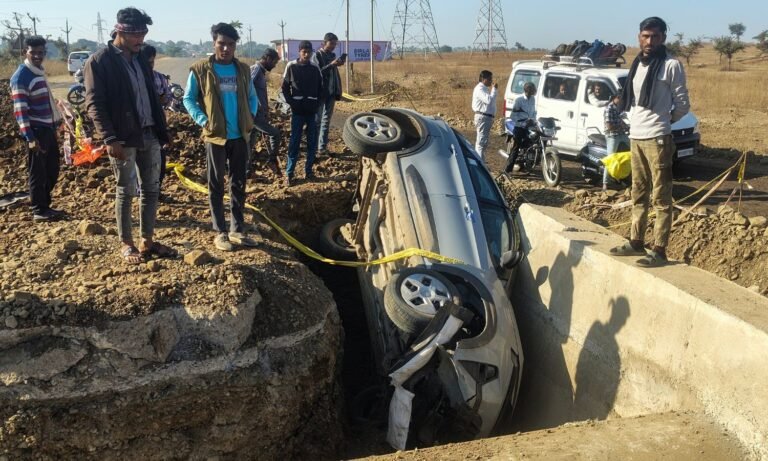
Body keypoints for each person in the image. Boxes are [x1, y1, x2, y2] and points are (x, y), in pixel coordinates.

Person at [84, 7, 175, 265]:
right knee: (126, 190)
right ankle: (126, 243)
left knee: (151, 188)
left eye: (143, 33)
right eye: (136, 34)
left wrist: (162, 130)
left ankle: (147, 239)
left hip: (149, 134)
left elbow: (152, 99)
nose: (141, 39)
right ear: (120, 31)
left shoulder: (140, 58)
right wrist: (109, 138)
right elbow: (94, 104)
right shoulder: (100, 61)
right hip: (123, 137)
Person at [609, 16, 690, 267]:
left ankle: (659, 249)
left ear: (663, 37)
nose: (650, 41)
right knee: (638, 193)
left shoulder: (671, 65)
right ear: (638, 37)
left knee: (661, 197)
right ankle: (636, 241)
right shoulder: (638, 64)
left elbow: (683, 105)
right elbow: (631, 100)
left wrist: (662, 122)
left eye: (655, 36)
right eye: (645, 36)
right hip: (636, 136)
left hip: (657, 138)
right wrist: (636, 122)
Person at [183, 22, 260, 252]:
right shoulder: (200, 69)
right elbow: (188, 98)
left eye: (230, 44)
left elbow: (252, 97)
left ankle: (237, 229)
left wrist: (250, 118)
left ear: (236, 45)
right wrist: (203, 120)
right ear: (214, 43)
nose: (225, 48)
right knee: (216, 184)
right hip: (216, 136)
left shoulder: (243, 70)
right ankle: (220, 232)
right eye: (221, 44)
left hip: (239, 137)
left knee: (238, 183)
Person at [10, 35, 64, 222]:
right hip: (36, 132)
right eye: (34, 52)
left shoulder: (39, 72)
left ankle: (45, 204)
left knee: (52, 168)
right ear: (26, 52)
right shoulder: (21, 76)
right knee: (38, 172)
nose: (38, 56)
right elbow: (20, 112)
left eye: (41, 52)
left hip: (48, 129)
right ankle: (39, 209)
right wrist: (30, 137)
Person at [281, 40, 323, 187]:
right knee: (294, 143)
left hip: (311, 112)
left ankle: (309, 171)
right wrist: (292, 103)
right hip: (297, 112)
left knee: (312, 142)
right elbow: (285, 88)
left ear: (311, 52)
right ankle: (289, 174)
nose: (306, 54)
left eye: (308, 51)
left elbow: (320, 89)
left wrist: (316, 105)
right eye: (303, 51)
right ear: (299, 52)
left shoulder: (315, 68)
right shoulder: (291, 66)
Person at [142, 44, 172, 197]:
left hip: (157, 126)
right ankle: (143, 192)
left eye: (152, 62)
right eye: (146, 62)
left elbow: (167, 99)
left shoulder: (159, 78)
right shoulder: (132, 79)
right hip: (138, 129)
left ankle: (155, 191)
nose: (149, 65)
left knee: (159, 161)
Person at [249, 48, 282, 177]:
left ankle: (246, 169)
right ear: (268, 58)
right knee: (275, 134)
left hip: (259, 114)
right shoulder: (256, 70)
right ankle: (271, 160)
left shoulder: (261, 72)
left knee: (250, 142)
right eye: (274, 62)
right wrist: (255, 107)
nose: (274, 66)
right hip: (255, 115)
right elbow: (247, 88)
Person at [312, 32, 344, 155]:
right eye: (331, 44)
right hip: (320, 93)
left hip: (331, 92)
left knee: (326, 121)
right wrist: (331, 65)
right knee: (317, 121)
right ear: (324, 43)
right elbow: (317, 73)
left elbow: (333, 73)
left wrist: (337, 63)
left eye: (335, 44)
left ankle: (322, 148)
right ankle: (314, 149)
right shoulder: (317, 56)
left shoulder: (332, 55)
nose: (333, 46)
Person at [504, 82, 537, 173]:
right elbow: (513, 116)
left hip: (529, 126)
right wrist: (522, 123)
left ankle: (527, 163)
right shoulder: (519, 100)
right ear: (528, 90)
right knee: (516, 148)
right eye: (533, 89)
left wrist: (534, 120)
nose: (535, 91)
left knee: (533, 142)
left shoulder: (533, 99)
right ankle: (507, 170)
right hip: (519, 127)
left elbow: (533, 112)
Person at [471, 69, 497, 161]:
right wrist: (494, 90)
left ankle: (480, 162)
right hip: (483, 117)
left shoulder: (484, 89)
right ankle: (479, 163)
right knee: (481, 143)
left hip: (485, 117)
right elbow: (489, 100)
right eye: (489, 79)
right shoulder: (480, 89)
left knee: (483, 142)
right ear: (483, 79)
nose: (491, 81)